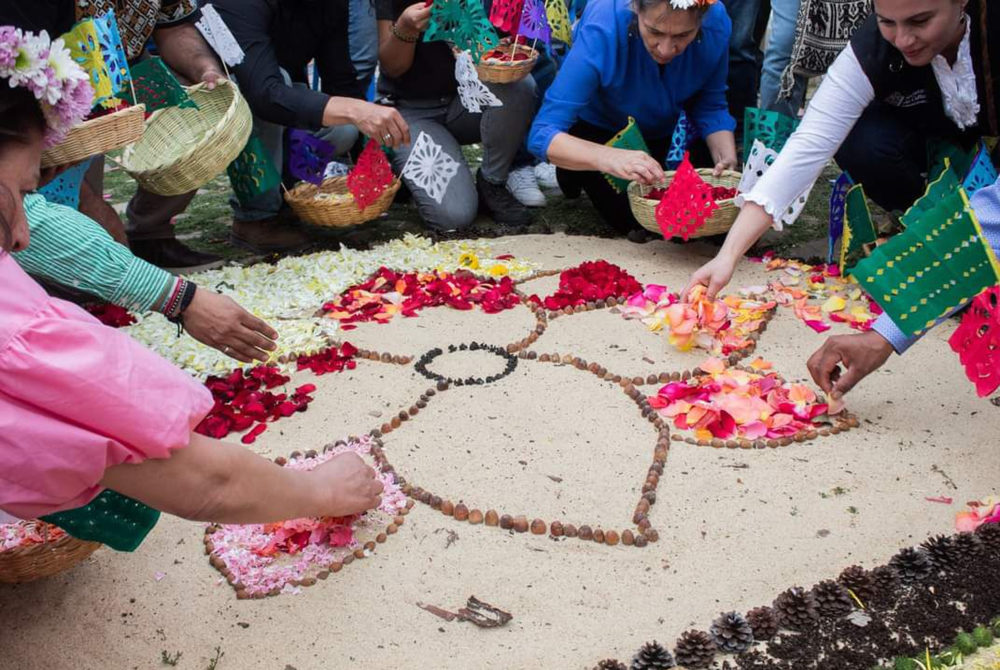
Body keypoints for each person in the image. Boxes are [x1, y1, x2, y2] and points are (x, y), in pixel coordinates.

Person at [0, 39, 383, 539]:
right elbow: (206, 484)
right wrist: (322, 491)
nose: (24, 234)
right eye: (26, 192)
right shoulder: (15, 328)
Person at [685, 0, 999, 396]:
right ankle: (925, 223)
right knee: (863, 138)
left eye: (920, 21)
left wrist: (886, 334)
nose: (902, 39)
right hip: (924, 135)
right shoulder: (874, 44)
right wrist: (728, 255)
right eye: (887, 22)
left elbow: (994, 214)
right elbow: (811, 141)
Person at [1, 0, 229, 270]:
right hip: (52, 83)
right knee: (64, 199)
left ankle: (151, 232)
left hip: (122, 68)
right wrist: (88, 199)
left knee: (194, 101)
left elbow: (174, 27)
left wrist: (206, 69)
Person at [527, 0, 739, 240]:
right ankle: (574, 169)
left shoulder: (716, 21)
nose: (666, 49)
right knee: (645, 224)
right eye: (655, 32)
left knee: (709, 222)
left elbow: (711, 105)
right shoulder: (604, 24)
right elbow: (542, 134)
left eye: (683, 35)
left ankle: (579, 170)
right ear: (635, 9)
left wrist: (724, 156)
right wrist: (608, 158)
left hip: (662, 131)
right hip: (600, 131)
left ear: (701, 20)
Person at [211, 0, 411, 251]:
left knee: (345, 130)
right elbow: (263, 93)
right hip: (229, 100)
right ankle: (254, 218)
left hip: (288, 99)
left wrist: (370, 151)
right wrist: (353, 110)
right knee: (275, 88)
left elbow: (340, 81)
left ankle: (288, 193)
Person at [375, 0, 536, 232]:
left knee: (519, 85)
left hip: (466, 100)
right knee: (454, 216)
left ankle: (492, 181)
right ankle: (409, 165)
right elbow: (393, 67)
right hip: (412, 111)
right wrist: (406, 28)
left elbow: (502, 49)